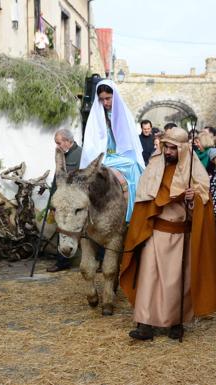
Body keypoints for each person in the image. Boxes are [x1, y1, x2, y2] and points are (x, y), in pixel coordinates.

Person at [119, 127, 216, 341]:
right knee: (149, 279)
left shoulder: (194, 170)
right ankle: (144, 323)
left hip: (179, 235)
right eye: (166, 147)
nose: (168, 152)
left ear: (183, 149)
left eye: (173, 148)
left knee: (175, 281)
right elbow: (144, 198)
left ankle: (176, 322)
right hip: (154, 232)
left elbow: (204, 204)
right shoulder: (154, 168)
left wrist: (192, 199)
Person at [80, 80, 144, 222]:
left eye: (108, 98)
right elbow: (93, 143)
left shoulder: (123, 114)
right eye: (102, 99)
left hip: (118, 155)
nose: (105, 102)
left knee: (137, 165)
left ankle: (137, 208)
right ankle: (132, 214)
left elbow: (128, 142)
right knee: (132, 165)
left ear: (115, 96)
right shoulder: (96, 116)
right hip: (103, 157)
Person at [47, 129, 82, 273]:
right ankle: (62, 262)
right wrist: (51, 201)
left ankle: (98, 259)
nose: (57, 146)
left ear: (68, 141)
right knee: (62, 230)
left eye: (59, 142)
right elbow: (57, 180)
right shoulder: (61, 155)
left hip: (76, 202)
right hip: (62, 202)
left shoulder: (81, 154)